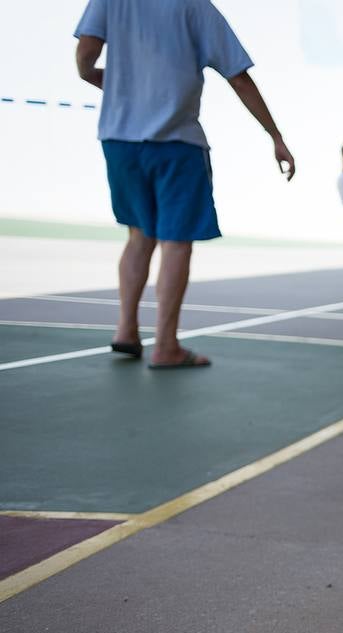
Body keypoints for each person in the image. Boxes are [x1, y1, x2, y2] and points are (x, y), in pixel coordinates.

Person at [74, 0, 294, 370]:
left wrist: (110, 82)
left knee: (138, 236)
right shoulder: (196, 7)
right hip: (177, 143)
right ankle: (165, 345)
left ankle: (126, 331)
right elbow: (238, 76)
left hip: (120, 141)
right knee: (175, 243)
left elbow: (85, 58)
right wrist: (275, 135)